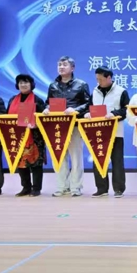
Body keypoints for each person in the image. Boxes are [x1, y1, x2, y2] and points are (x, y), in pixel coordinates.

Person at [45, 56, 90, 197]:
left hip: (74, 125)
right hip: (57, 126)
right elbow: (49, 102)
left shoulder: (81, 84)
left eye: (64, 64)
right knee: (58, 156)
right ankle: (61, 186)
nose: (61, 67)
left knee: (76, 157)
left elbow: (88, 104)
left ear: (72, 68)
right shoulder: (53, 86)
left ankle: (76, 187)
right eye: (59, 64)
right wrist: (47, 109)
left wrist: (75, 109)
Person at [87, 66, 129, 198]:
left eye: (100, 79)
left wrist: (114, 114)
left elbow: (126, 110)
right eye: (97, 79)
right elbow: (89, 107)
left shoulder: (121, 91)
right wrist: (87, 114)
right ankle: (101, 188)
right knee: (98, 160)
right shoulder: (94, 92)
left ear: (109, 78)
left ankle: (119, 189)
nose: (98, 82)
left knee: (117, 161)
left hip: (115, 132)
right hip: (98, 132)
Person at [6, 74, 46, 197]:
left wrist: (36, 124)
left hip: (34, 136)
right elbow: (7, 117)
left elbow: (44, 119)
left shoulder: (37, 100)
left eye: (26, 82)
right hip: (17, 136)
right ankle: (26, 187)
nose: (23, 85)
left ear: (31, 84)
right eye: (21, 83)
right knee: (21, 163)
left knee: (36, 163)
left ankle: (36, 188)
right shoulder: (12, 100)